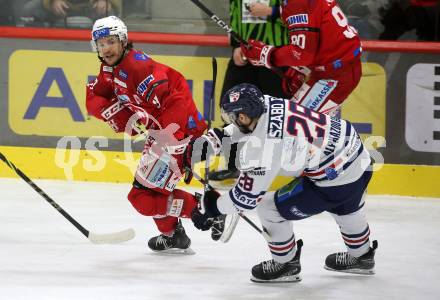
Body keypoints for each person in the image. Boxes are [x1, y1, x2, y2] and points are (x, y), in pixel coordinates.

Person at [189, 83, 378, 282]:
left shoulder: (265, 146)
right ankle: (362, 256)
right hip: (358, 156)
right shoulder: (268, 102)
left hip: (337, 180)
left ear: (243, 116)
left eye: (233, 117)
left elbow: (246, 198)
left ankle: (286, 263)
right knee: (347, 208)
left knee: (269, 209)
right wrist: (216, 139)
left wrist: (212, 207)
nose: (233, 122)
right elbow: (249, 127)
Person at [85, 16, 224, 254]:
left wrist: (173, 140)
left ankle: (203, 208)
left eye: (110, 41)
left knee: (143, 198)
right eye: (100, 43)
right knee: (149, 193)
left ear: (123, 40)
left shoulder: (137, 68)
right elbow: (94, 99)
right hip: (161, 133)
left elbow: (176, 95)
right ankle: (173, 235)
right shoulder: (110, 68)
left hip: (177, 133)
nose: (105, 48)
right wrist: (118, 113)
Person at [208, 0, 290, 184]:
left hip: (276, 55)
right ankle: (233, 165)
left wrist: (272, 11)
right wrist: (237, 45)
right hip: (246, 55)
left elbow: (303, 17)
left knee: (277, 115)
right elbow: (237, 15)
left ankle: (278, 167)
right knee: (231, 109)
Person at [240, 0, 363, 116]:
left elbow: (301, 54)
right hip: (337, 68)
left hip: (335, 76)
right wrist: (301, 67)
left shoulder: (297, 2)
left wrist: (267, 55)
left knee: (293, 125)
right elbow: (316, 35)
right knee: (303, 126)